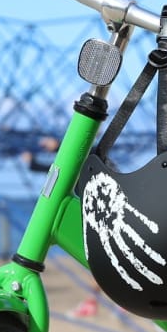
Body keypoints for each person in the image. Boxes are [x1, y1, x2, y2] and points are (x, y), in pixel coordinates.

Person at [19, 137, 102, 319]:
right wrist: (33, 161)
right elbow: (56, 168)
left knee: (101, 263)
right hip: (93, 213)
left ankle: (95, 302)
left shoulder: (96, 154)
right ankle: (96, 301)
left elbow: (85, 155)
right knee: (101, 263)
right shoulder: (94, 157)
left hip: (99, 213)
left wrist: (55, 146)